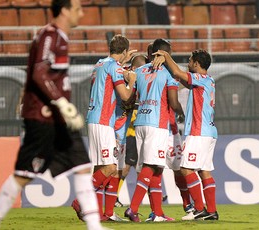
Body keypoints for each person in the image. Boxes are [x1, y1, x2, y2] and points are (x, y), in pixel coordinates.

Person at [0, 1, 105, 230]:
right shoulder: (49, 36)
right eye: (77, 9)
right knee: (23, 174)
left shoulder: (60, 37)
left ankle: (94, 226)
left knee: (83, 165)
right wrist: (60, 102)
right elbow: (39, 73)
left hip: (58, 119)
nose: (82, 13)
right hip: (42, 117)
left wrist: (62, 107)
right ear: (65, 10)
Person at [72, 34, 137, 221]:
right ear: (124, 51)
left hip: (94, 119)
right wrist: (131, 80)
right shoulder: (115, 68)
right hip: (104, 121)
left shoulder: (100, 63)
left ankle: (97, 213)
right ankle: (80, 202)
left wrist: (123, 62)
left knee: (99, 167)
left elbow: (111, 71)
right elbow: (125, 96)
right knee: (110, 167)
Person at [153, 49, 219, 220]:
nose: (188, 64)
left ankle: (198, 209)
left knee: (185, 168)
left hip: (199, 132)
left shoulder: (200, 78)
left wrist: (166, 56)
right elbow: (181, 78)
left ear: (196, 64)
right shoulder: (209, 80)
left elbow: (177, 72)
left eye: (190, 61)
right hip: (209, 131)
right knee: (204, 170)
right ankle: (211, 211)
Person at [124, 38, 184, 222]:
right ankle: (133, 209)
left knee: (156, 169)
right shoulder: (168, 74)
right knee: (151, 167)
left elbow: (130, 97)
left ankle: (157, 213)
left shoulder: (139, 71)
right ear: (165, 54)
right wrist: (181, 112)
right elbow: (173, 103)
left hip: (140, 121)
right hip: (156, 124)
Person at [115, 55, 147, 208]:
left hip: (129, 133)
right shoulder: (127, 77)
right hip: (128, 134)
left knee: (125, 169)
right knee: (125, 169)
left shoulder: (132, 77)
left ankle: (152, 192)